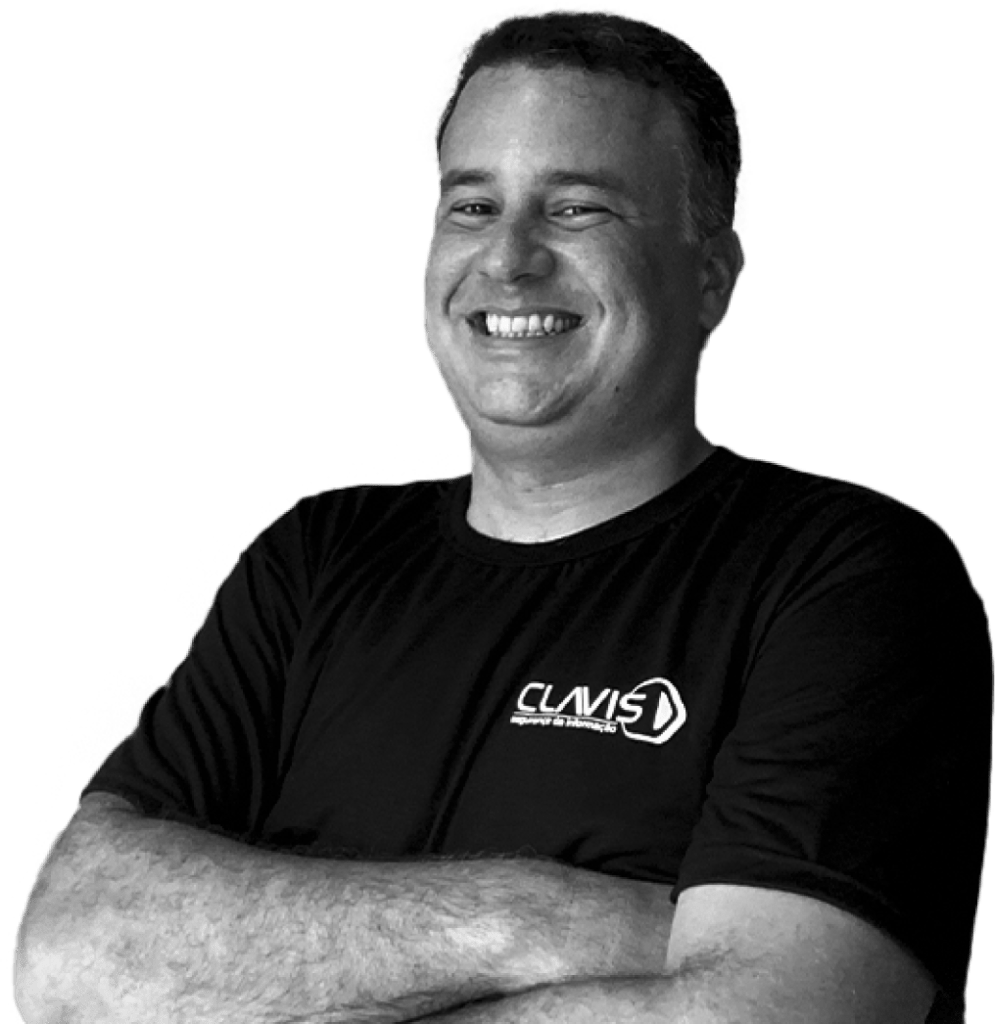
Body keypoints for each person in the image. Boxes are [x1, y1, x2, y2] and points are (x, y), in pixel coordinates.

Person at [12, 8, 992, 1024]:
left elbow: (776, 1014)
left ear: (709, 277)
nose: (509, 259)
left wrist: (255, 977)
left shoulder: (845, 579)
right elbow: (70, 954)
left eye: (577, 208)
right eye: (473, 206)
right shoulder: (316, 560)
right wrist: (537, 920)